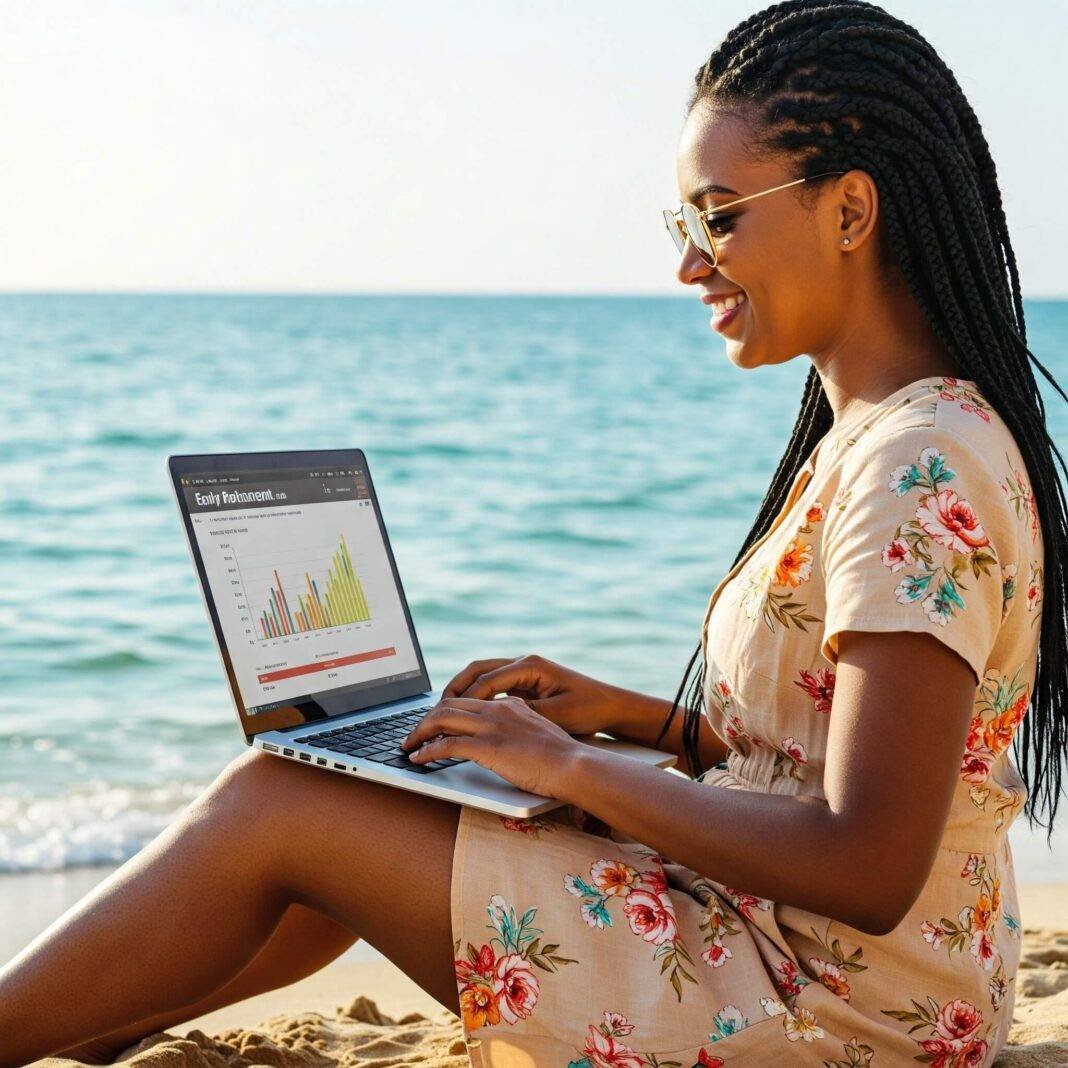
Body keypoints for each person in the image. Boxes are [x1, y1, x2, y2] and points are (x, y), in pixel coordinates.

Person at [1, 1, 1065, 1064]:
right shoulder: (891, 437)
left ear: (849, 211)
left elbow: (868, 858)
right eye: (685, 226)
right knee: (377, 789)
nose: (693, 264)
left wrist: (573, 770)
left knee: (282, 802)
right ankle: (91, 1026)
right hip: (816, 959)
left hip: (827, 1008)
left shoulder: (919, 465)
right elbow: (818, 760)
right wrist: (631, 721)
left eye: (721, 216)